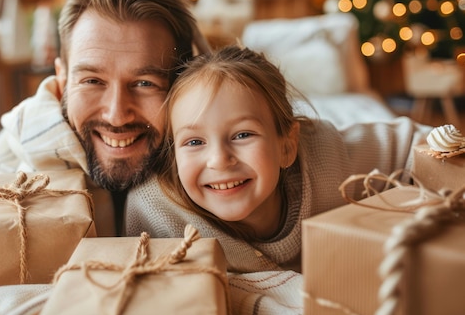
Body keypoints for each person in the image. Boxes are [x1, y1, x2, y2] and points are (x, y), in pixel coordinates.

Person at [125, 45, 433, 272]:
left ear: (287, 146)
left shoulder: (327, 160)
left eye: (243, 135)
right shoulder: (157, 212)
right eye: (194, 141)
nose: (219, 160)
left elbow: (421, 142)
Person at [0, 0, 209, 236]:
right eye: (92, 81)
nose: (117, 115)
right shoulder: (12, 177)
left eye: (145, 83)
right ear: (61, 81)